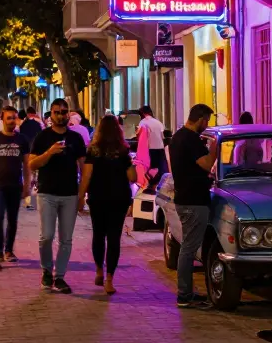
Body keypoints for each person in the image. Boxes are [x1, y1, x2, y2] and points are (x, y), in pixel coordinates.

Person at [28, 98, 88, 294]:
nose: (61, 116)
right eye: (57, 112)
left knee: (66, 239)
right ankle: (46, 270)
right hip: (47, 193)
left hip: (70, 194)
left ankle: (60, 276)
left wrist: (82, 194)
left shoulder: (76, 139)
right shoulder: (42, 137)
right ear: (50, 115)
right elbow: (32, 164)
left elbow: (84, 166)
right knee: (46, 236)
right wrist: (50, 152)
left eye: (64, 112)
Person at [169, 103, 220, 308]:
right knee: (189, 248)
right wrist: (214, 150)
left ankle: (187, 292)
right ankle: (184, 294)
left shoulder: (178, 137)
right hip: (193, 201)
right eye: (206, 120)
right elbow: (207, 164)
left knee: (187, 247)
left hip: (186, 198)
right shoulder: (191, 140)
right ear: (200, 119)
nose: (206, 125)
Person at [79, 115, 137, 295]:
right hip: (119, 198)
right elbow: (133, 177)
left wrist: (80, 197)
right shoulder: (123, 150)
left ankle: (98, 270)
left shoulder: (93, 150)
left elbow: (86, 175)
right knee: (114, 239)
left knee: (98, 234)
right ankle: (110, 279)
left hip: (98, 197)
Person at [0, 106, 29, 269]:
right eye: (9, 118)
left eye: (14, 118)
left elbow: (27, 164)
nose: (12, 121)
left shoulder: (22, 139)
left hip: (15, 185)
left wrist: (27, 185)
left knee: (13, 219)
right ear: (2, 119)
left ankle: (9, 250)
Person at [19, 106, 45, 210]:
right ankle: (34, 199)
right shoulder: (40, 122)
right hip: (37, 152)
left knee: (28, 176)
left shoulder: (24, 124)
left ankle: (28, 200)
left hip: (26, 152)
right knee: (35, 177)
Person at [137, 106, 168, 191]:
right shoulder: (158, 122)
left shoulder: (142, 122)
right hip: (160, 148)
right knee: (160, 168)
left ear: (142, 113)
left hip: (149, 149)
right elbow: (163, 136)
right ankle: (158, 186)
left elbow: (139, 135)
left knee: (150, 169)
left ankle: (150, 186)